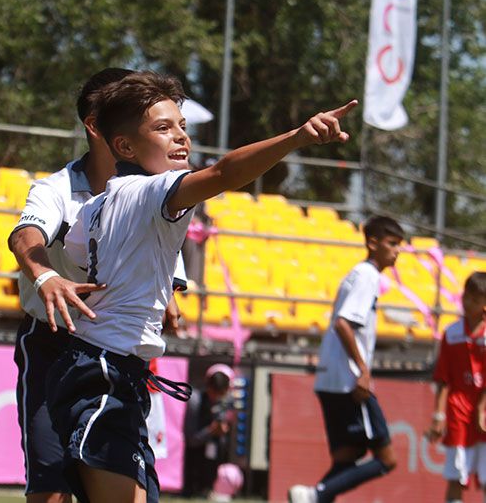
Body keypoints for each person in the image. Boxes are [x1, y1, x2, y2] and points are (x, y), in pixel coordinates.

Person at [48, 70, 358, 503]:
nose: (180, 138)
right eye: (162, 128)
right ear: (124, 146)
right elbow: (225, 173)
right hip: (105, 371)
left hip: (105, 368)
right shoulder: (152, 190)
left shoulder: (98, 204)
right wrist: (296, 138)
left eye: (182, 127)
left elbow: (91, 254)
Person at [7, 68, 185, 503]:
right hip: (52, 346)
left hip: (113, 356)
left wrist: (169, 298)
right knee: (51, 492)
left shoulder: (148, 192)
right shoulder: (57, 190)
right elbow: (23, 236)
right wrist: (46, 275)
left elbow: (163, 268)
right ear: (97, 124)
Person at [288, 215, 405, 503]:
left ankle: (315, 497)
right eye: (392, 244)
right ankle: (314, 495)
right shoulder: (368, 275)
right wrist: (363, 370)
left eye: (399, 245)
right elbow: (343, 323)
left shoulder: (358, 274)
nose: (397, 251)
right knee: (387, 459)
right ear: (372, 243)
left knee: (347, 457)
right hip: (349, 381)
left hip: (331, 378)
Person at [428, 272, 486, 503]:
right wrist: (438, 415)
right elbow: (443, 379)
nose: (466, 302)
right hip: (458, 412)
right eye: (465, 296)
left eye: (474, 299)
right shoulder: (451, 334)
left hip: (483, 415)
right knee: (455, 478)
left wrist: (483, 408)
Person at [182, 364, 234, 498]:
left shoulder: (226, 402)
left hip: (212, 451)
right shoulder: (195, 401)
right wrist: (211, 430)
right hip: (194, 453)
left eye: (221, 394)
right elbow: (191, 439)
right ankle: (193, 489)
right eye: (214, 393)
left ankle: (208, 488)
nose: (216, 398)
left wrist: (222, 430)